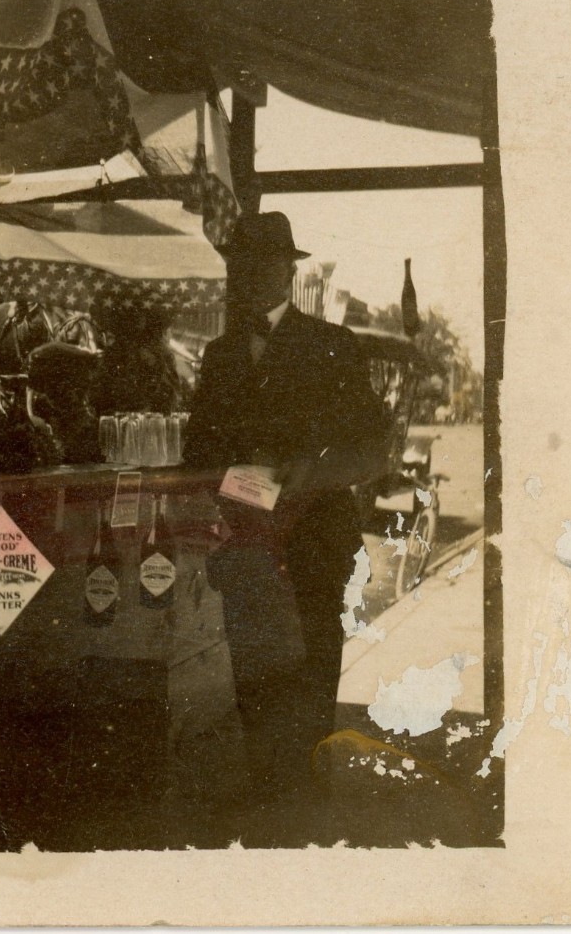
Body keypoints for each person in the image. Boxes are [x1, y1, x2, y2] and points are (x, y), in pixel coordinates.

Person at [183, 211, 391, 845]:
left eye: (262, 263)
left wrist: (311, 471)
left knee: (312, 663)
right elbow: (200, 451)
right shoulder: (218, 356)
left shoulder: (333, 343)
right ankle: (266, 781)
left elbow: (371, 442)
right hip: (245, 538)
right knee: (253, 662)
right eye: (237, 264)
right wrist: (228, 482)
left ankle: (306, 789)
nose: (248, 275)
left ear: (287, 269)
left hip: (317, 535)